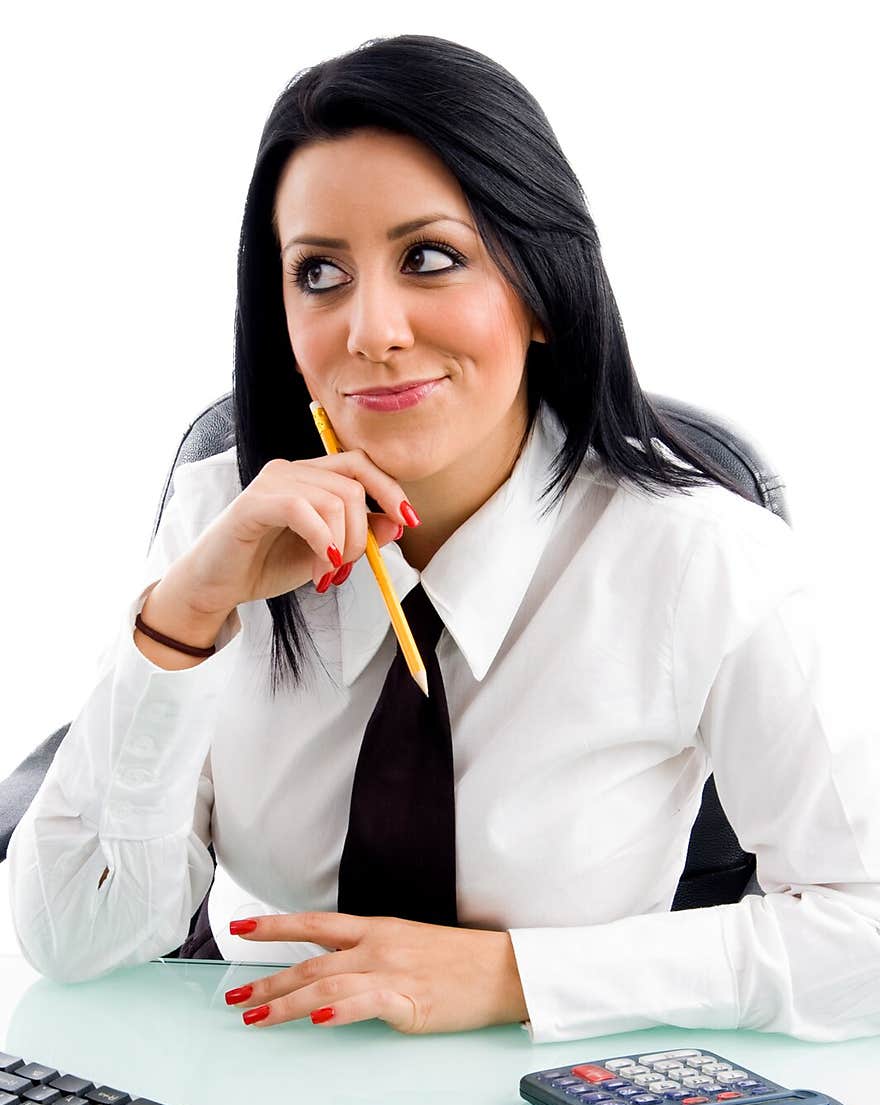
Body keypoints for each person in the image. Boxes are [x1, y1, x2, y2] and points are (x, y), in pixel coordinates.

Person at [8, 35, 880, 1044]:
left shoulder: (697, 561)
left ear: (542, 286)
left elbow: (861, 928)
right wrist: (185, 616)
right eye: (319, 274)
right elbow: (74, 937)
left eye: (430, 258)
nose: (370, 329)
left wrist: (514, 976)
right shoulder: (225, 514)